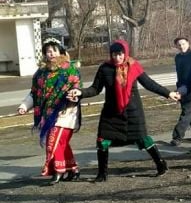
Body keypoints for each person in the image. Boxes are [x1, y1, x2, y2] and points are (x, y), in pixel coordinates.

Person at [67, 39, 179, 181]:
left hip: (133, 111)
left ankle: (161, 164)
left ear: (125, 53)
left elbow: (149, 84)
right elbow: (95, 89)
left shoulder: (134, 66)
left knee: (143, 139)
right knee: (102, 141)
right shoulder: (105, 68)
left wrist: (168, 93)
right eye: (114, 54)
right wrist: (80, 92)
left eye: (120, 54)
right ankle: (102, 174)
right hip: (111, 112)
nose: (117, 57)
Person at [17, 38, 81, 184]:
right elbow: (34, 93)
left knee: (53, 141)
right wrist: (24, 106)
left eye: (54, 50)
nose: (50, 53)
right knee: (61, 143)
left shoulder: (69, 70)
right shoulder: (41, 73)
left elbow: (77, 88)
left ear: (61, 52)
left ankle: (58, 171)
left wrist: (74, 95)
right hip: (47, 114)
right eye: (48, 50)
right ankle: (73, 169)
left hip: (66, 113)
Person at [170, 36, 191, 146]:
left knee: (186, 114)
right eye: (179, 45)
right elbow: (180, 75)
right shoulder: (178, 58)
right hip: (182, 89)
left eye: (183, 44)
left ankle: (177, 137)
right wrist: (178, 89)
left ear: (188, 43)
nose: (182, 46)